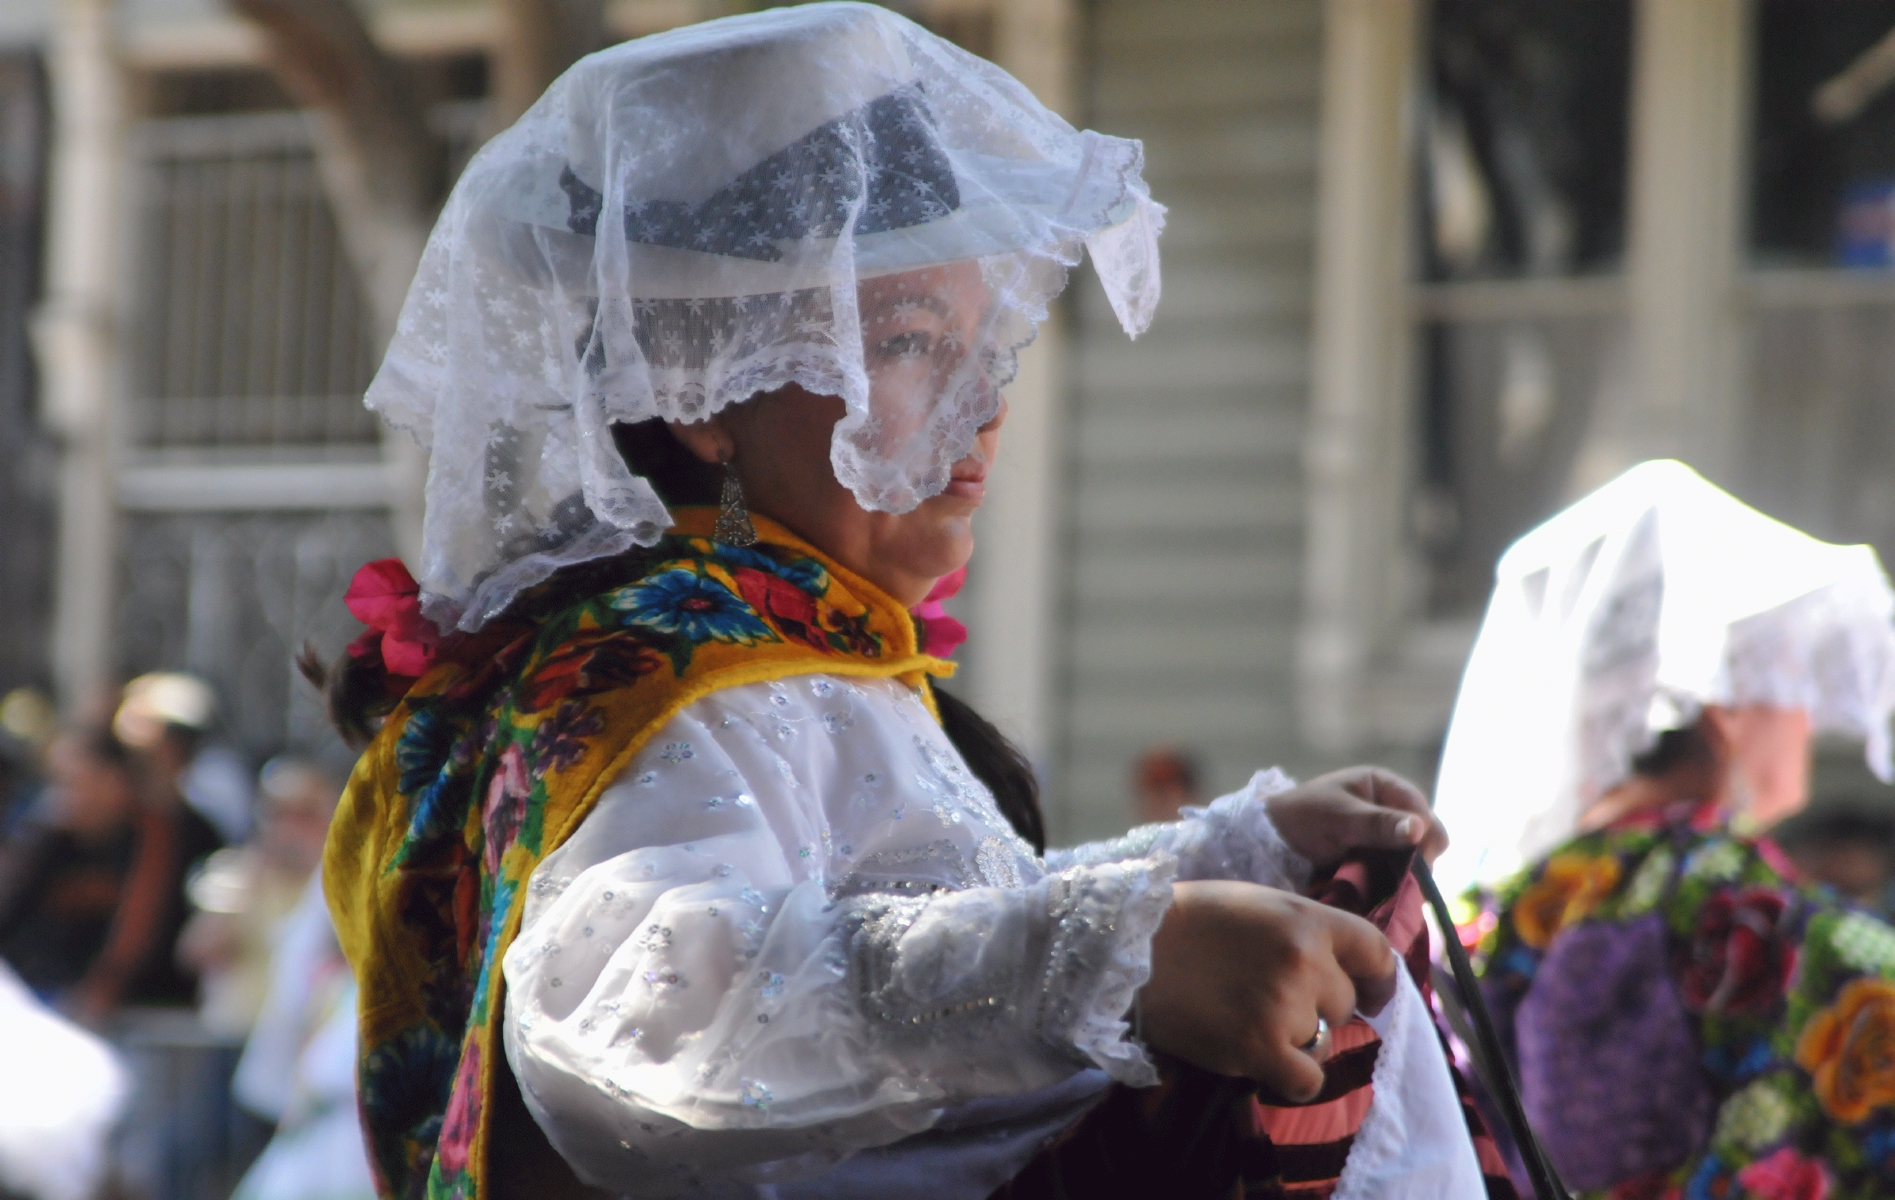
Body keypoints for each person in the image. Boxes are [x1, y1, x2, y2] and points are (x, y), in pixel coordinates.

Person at [315, 7, 1485, 1198]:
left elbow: (932, 921)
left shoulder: (775, 655)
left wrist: (1243, 855)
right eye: (913, 343)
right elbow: (633, 1010)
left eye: (988, 352)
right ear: (705, 392)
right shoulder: (677, 675)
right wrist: (1112, 964)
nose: (982, 408)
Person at [1435, 459, 1895, 1198]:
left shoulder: (1501, 905)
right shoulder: (1728, 896)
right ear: (1723, 707)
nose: (1808, 717)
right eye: (1790, 686)